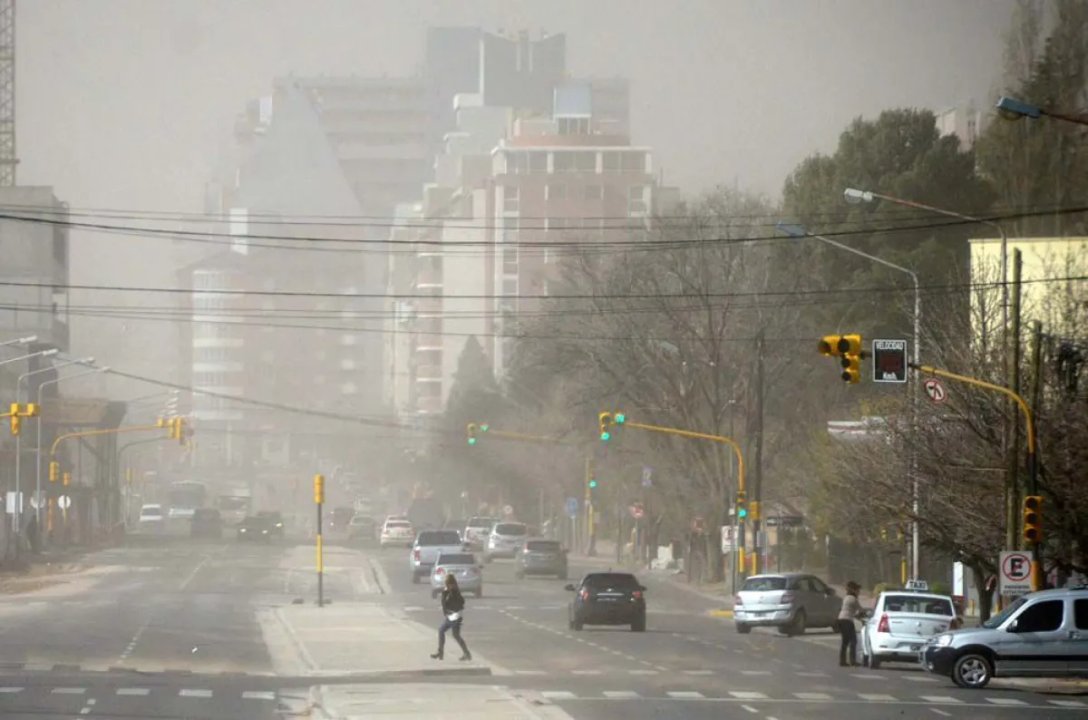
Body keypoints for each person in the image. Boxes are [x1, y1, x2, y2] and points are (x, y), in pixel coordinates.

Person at [431, 573, 471, 661]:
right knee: (442, 631)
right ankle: (440, 652)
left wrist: (451, 596)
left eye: (450, 584)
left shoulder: (455, 592)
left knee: (455, 635)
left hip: (455, 616)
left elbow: (461, 603)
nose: (448, 586)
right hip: (450, 616)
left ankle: (466, 653)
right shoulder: (447, 591)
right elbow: (444, 603)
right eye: (448, 584)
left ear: (452, 584)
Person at [837, 581, 864, 667]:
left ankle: (842, 661)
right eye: (858, 590)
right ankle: (853, 661)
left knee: (845, 642)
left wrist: (857, 616)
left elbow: (850, 611)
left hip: (841, 619)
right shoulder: (853, 599)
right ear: (854, 590)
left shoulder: (846, 598)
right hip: (847, 620)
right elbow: (860, 610)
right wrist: (863, 617)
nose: (859, 592)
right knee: (853, 641)